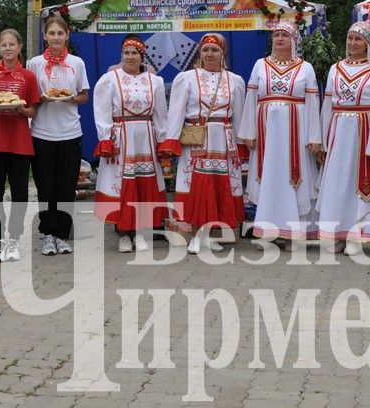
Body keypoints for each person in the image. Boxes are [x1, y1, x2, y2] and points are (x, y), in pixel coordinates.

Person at [160, 33, 248, 253]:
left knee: (218, 188)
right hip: (198, 138)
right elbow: (176, 111)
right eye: (205, 50)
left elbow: (239, 114)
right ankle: (196, 236)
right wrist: (171, 139)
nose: (210, 54)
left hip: (224, 141)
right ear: (200, 53)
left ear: (223, 53)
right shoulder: (187, 78)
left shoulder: (234, 80)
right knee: (197, 187)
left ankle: (208, 235)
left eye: (215, 50)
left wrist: (240, 144)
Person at [315, 21, 370, 254]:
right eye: (350, 38)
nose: (352, 43)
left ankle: (358, 235)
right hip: (339, 131)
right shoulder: (335, 68)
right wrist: (322, 140)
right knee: (339, 183)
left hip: (366, 132)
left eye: (358, 39)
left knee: (358, 182)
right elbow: (328, 105)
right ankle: (337, 234)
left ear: (368, 43)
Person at [238, 19, 322, 242]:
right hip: (267, 134)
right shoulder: (260, 65)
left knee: (296, 178)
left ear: (294, 39)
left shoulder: (306, 67)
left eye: (285, 35)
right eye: (276, 35)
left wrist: (315, 136)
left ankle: (295, 233)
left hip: (297, 134)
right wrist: (249, 132)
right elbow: (252, 99)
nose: (279, 39)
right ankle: (268, 231)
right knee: (270, 176)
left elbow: (313, 103)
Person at [92, 34, 169, 252]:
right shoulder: (110, 79)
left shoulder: (155, 82)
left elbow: (161, 114)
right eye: (126, 53)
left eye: (134, 53)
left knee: (144, 185)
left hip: (145, 136)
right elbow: (102, 111)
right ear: (121, 55)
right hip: (121, 137)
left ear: (142, 56)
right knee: (122, 184)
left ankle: (141, 232)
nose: (130, 57)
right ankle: (123, 233)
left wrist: (163, 140)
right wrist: (105, 138)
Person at [27, 14, 89, 256]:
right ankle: (48, 233)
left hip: (70, 132)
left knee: (66, 187)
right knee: (45, 186)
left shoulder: (77, 63)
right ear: (44, 36)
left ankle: (63, 234)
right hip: (41, 132)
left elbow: (84, 95)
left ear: (67, 36)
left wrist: (70, 97)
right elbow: (30, 94)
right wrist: (40, 99)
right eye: (51, 33)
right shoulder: (34, 63)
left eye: (60, 33)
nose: (55, 37)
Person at [0, 29, 40, 263]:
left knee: (20, 193)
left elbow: (33, 109)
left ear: (20, 47)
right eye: (3, 45)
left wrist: (23, 110)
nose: (7, 48)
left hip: (20, 141)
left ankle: (14, 239)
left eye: (11, 44)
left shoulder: (28, 77)